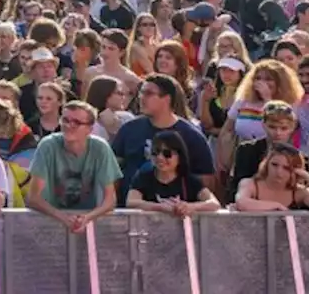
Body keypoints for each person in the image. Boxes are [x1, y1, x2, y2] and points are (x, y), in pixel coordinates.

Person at [111, 74, 215, 205]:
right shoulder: (129, 129)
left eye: (148, 93)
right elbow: (113, 172)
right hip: (131, 212)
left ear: (166, 99)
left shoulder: (191, 135)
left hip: (176, 215)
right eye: (141, 93)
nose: (141, 98)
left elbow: (207, 181)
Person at [26, 101, 121, 231]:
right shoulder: (47, 145)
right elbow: (33, 198)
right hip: (50, 222)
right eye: (65, 120)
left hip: (90, 224)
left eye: (76, 122)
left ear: (90, 129)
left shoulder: (101, 148)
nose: (69, 125)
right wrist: (63, 218)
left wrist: (87, 218)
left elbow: (110, 200)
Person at [126, 130, 221, 217]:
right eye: (156, 152)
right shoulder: (143, 178)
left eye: (167, 154)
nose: (160, 158)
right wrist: (159, 207)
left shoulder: (189, 181)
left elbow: (214, 203)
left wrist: (190, 206)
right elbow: (131, 202)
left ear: (180, 156)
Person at [232, 143, 309, 213]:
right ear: (266, 164)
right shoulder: (250, 184)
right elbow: (241, 203)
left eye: (286, 168)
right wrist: (277, 206)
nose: (279, 172)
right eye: (274, 165)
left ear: (295, 170)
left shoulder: (300, 192)